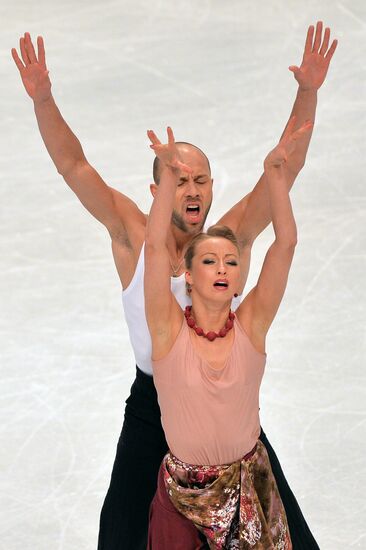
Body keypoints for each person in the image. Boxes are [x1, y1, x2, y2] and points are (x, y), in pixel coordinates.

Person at [11, 22, 337, 550]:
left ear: (211, 189)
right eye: (178, 177)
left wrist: (308, 91)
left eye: (200, 179)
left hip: (224, 410)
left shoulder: (227, 242)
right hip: (153, 409)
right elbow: (75, 166)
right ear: (159, 186)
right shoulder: (134, 233)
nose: (191, 188)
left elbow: (285, 167)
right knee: (118, 538)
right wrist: (44, 99)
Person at [145, 121, 312, 549]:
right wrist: (167, 179)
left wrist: (276, 175)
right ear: (186, 273)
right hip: (182, 501)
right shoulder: (167, 331)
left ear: (239, 281)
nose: (222, 268)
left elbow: (285, 245)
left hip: (249, 493)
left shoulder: (251, 326)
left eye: (231, 262)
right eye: (210, 261)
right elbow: (152, 248)